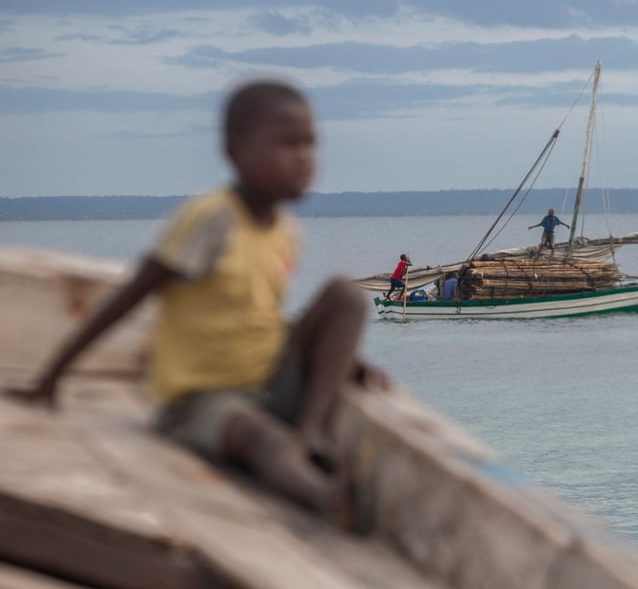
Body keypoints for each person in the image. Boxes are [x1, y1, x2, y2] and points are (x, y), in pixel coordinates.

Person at [3, 80, 386, 530]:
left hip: (267, 379)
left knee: (345, 296)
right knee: (259, 439)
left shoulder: (285, 230)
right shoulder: (211, 219)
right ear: (234, 150)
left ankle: (312, 430)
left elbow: (259, 318)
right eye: (287, 144)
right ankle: (326, 498)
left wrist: (342, 360)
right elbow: (129, 297)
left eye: (309, 144)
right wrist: (53, 377)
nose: (304, 158)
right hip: (201, 400)